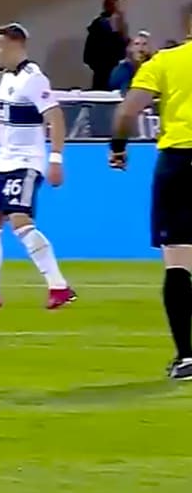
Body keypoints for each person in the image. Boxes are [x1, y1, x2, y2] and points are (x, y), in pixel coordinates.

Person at [0, 24, 75, 309]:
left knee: (19, 220)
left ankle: (59, 286)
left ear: (15, 45)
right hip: (3, 161)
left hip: (26, 161)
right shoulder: (7, 78)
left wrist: (56, 159)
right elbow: (8, 118)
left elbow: (55, 118)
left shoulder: (34, 79)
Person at [110, 28, 192, 380]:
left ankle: (187, 356)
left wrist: (118, 147)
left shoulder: (166, 62)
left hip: (180, 162)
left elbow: (128, 112)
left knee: (178, 261)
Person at [84, 0, 129, 91]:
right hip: (104, 67)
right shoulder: (101, 23)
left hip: (117, 67)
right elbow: (99, 48)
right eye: (123, 3)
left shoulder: (121, 23)